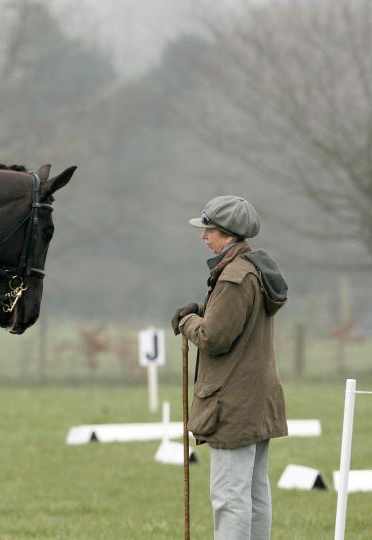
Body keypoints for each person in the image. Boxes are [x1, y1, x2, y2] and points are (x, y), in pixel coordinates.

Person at [171, 195, 289, 539]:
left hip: (233, 403)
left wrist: (190, 320)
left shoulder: (235, 276)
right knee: (254, 494)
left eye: (208, 229)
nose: (203, 236)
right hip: (257, 399)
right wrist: (203, 309)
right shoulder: (253, 269)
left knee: (229, 498)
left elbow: (214, 338)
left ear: (229, 234)